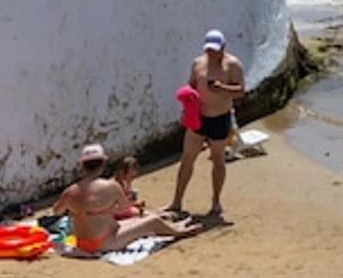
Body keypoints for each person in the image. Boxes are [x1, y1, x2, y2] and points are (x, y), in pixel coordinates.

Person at [52, 144, 196, 254]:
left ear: (83, 166)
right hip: (104, 243)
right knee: (151, 221)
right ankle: (178, 232)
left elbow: (57, 211)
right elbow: (124, 207)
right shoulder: (110, 186)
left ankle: (174, 227)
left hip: (82, 243)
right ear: (103, 164)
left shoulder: (70, 191)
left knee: (134, 222)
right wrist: (106, 209)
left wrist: (83, 210)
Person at [169, 32, 246, 221]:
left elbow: (241, 90)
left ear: (223, 47)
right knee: (187, 159)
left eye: (215, 50)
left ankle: (216, 201)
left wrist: (222, 88)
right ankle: (177, 201)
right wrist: (187, 105)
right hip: (198, 118)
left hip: (219, 118)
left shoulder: (232, 64)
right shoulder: (198, 63)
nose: (211, 53)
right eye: (209, 49)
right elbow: (191, 86)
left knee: (218, 160)